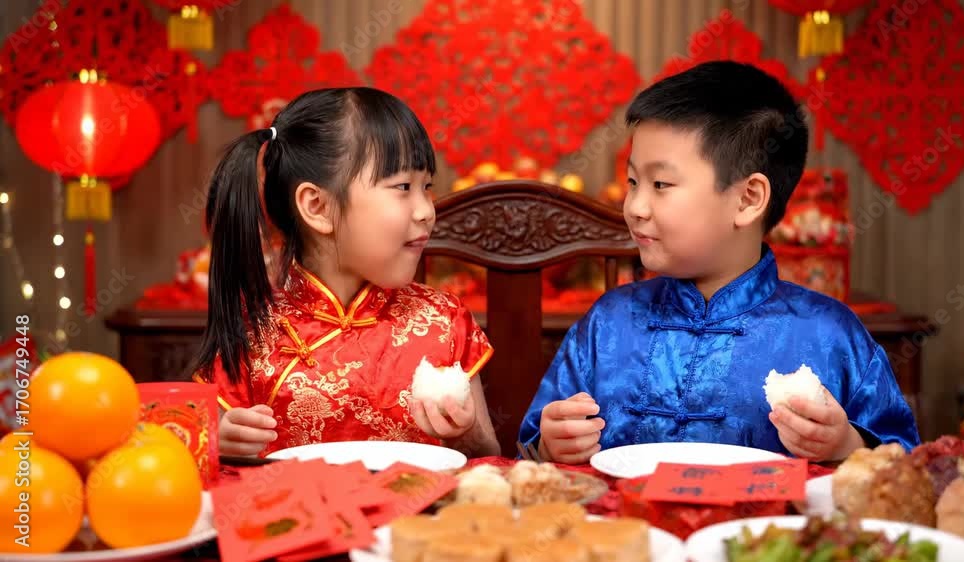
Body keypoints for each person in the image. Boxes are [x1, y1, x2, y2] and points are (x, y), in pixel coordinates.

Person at [518, 61, 920, 464]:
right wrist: (550, 445)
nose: (635, 207)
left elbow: (901, 462)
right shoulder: (607, 323)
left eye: (661, 184)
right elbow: (531, 450)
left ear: (747, 199)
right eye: (633, 182)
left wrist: (847, 445)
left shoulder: (830, 333)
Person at [191, 87, 500, 459]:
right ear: (318, 207)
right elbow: (209, 465)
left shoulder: (443, 319)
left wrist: (463, 433)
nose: (426, 212)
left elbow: (489, 458)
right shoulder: (254, 326)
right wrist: (221, 444)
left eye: (427, 187)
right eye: (403, 187)